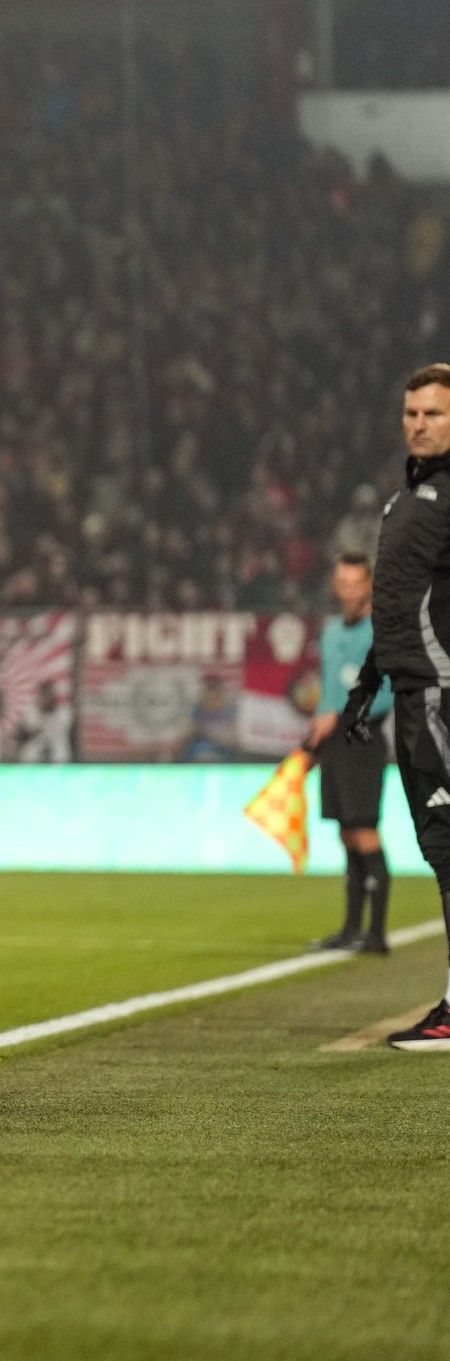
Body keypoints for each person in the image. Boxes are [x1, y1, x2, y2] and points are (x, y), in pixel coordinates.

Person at [338, 363, 450, 1050]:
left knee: (448, 843)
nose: (419, 423)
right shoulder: (409, 498)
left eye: (434, 413)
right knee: (441, 847)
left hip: (439, 693)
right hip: (412, 691)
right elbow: (397, 604)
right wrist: (367, 684)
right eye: (412, 413)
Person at [306, 553, 393, 953]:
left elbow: (385, 696)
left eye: (355, 583)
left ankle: (376, 935)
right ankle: (351, 928)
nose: (348, 591)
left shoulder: (382, 632)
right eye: (342, 583)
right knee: (345, 832)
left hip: (363, 739)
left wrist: (338, 714)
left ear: (370, 584)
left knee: (364, 831)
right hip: (335, 743)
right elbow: (328, 691)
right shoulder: (331, 633)